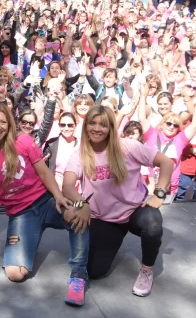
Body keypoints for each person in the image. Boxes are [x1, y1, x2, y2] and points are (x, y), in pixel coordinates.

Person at [0, 102, 90, 306]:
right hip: (21, 215)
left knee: (78, 216)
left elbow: (44, 172)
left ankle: (78, 275)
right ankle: (32, 237)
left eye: (2, 122)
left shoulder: (24, 141)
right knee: (15, 273)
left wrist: (57, 195)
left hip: (45, 201)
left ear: (9, 123)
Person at [63, 106, 173, 297]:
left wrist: (159, 194)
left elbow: (167, 163)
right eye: (93, 123)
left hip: (134, 211)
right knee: (95, 272)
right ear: (86, 126)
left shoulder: (127, 146)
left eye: (103, 125)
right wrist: (82, 204)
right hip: (104, 218)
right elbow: (67, 187)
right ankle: (114, 238)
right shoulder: (80, 154)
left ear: (111, 128)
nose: (97, 128)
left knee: (153, 223)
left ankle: (147, 270)